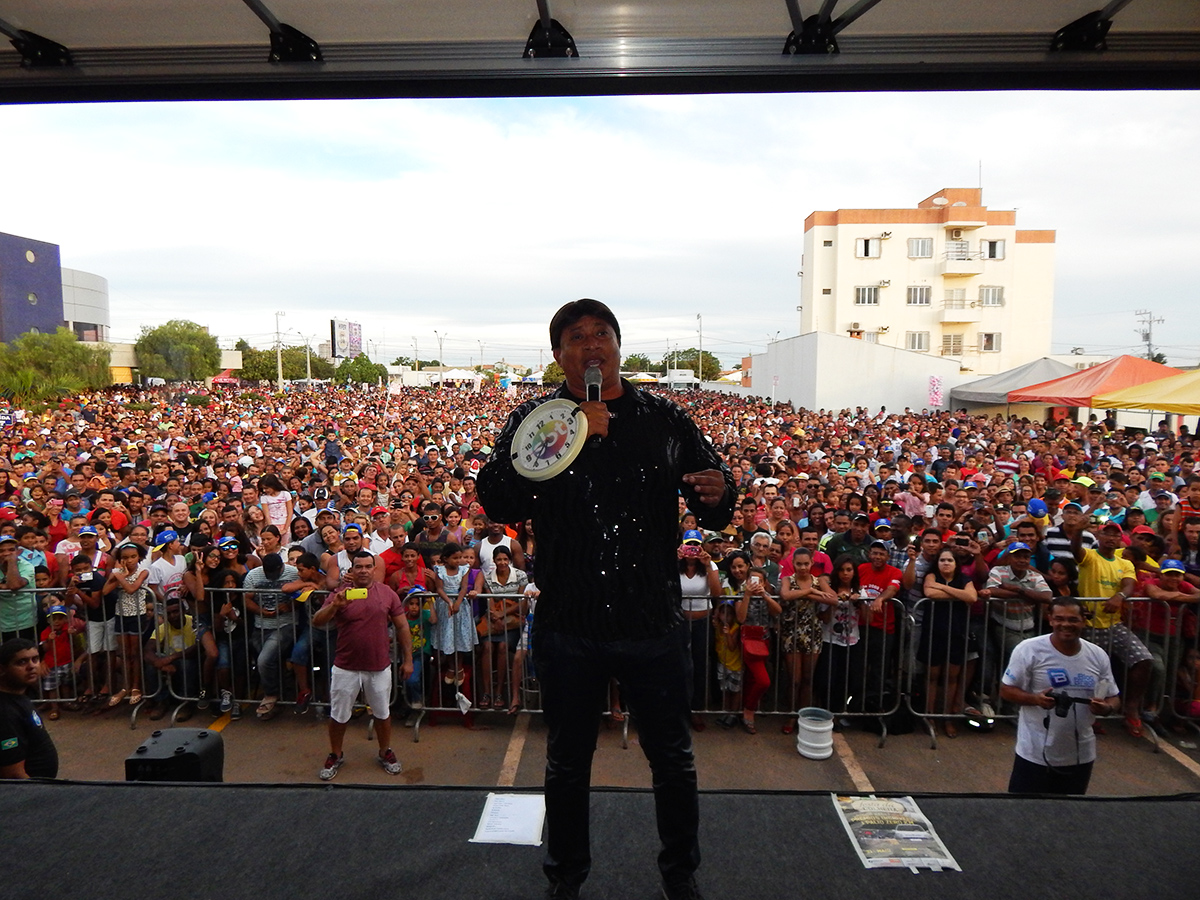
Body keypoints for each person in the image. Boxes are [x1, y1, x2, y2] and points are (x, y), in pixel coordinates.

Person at [477, 299, 733, 900]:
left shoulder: (664, 418)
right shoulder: (535, 421)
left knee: (672, 759)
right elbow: (497, 497)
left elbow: (715, 501)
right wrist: (564, 444)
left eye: (601, 334)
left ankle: (680, 874)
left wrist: (720, 491)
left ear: (618, 346)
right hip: (570, 622)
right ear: (558, 355)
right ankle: (566, 876)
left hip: (652, 620)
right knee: (567, 762)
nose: (591, 345)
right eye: (576, 337)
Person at [1000, 597, 1120, 794]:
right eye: (1059, 619)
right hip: (1034, 754)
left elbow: (1114, 696)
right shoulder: (1029, 649)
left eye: (1073, 619)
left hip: (1080, 756)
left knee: (1070, 811)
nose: (1066, 624)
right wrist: (1035, 699)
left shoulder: (1097, 655)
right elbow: (1006, 690)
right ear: (1050, 620)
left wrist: (1107, 708)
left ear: (1083, 621)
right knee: (1023, 810)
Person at [311, 550, 412, 781]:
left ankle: (385, 751)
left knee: (382, 713)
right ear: (352, 570)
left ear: (374, 570)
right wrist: (335, 606)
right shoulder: (340, 594)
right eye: (359, 567)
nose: (364, 571)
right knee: (338, 715)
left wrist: (407, 660)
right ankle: (336, 754)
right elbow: (317, 621)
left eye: (368, 566)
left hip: (379, 666)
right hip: (346, 666)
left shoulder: (387, 593)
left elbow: (402, 627)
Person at [0, 638, 59, 778]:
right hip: (29, 789)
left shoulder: (18, 695)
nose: (31, 666)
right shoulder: (5, 712)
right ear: (2, 669)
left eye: (35, 659)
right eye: (21, 662)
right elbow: (13, 774)